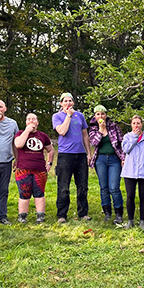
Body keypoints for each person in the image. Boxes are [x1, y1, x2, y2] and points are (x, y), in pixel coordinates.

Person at [52, 93, 92, 223]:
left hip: (80, 154)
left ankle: (83, 213)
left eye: (70, 101)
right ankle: (62, 215)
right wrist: (68, 115)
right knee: (63, 186)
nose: (68, 103)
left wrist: (88, 153)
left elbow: (85, 135)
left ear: (73, 103)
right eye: (65, 101)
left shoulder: (80, 115)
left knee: (82, 185)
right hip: (65, 155)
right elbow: (62, 131)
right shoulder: (57, 116)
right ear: (61, 104)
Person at [13, 113, 55, 224]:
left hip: (40, 169)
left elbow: (50, 150)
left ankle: (40, 216)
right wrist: (27, 131)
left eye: (34, 119)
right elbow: (18, 145)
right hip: (23, 169)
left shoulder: (43, 136)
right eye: (29, 119)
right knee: (24, 193)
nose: (31, 121)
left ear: (37, 122)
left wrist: (49, 162)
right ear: (26, 122)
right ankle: (22, 217)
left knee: (39, 193)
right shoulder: (20, 133)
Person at [88, 105, 126, 224]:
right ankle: (107, 212)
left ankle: (119, 213)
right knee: (104, 187)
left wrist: (123, 158)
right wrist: (101, 130)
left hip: (114, 159)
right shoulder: (93, 129)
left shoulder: (114, 127)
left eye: (103, 114)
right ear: (95, 116)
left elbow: (122, 142)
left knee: (114, 187)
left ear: (106, 115)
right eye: (98, 114)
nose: (101, 116)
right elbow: (94, 142)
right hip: (101, 160)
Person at [120, 115, 144, 230]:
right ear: (131, 125)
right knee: (130, 196)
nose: (136, 125)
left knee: (143, 196)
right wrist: (135, 137)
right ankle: (130, 220)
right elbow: (126, 150)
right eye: (134, 123)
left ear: (142, 124)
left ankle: (142, 220)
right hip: (130, 172)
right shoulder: (127, 137)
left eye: (138, 123)